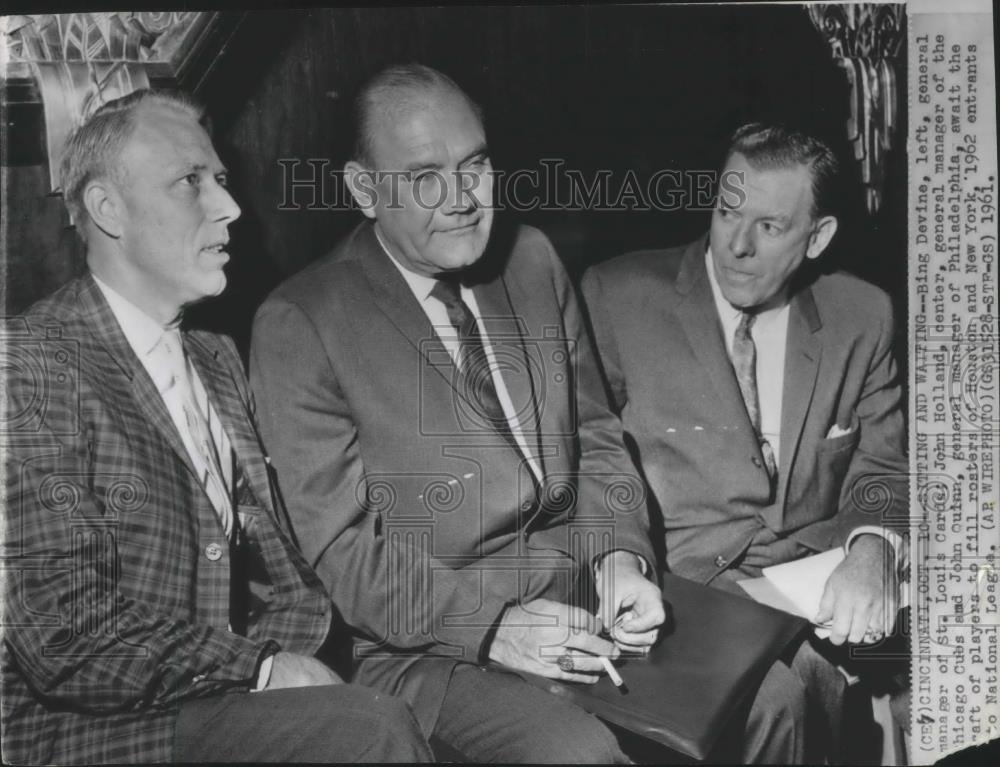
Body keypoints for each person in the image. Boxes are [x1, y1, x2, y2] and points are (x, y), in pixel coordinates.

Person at [1, 89, 432, 765]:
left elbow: (277, 566)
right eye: (189, 183)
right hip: (78, 728)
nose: (229, 208)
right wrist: (260, 668)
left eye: (221, 181)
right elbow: (62, 631)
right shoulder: (27, 363)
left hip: (209, 690)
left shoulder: (215, 355)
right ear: (106, 209)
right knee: (368, 729)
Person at [249, 64, 664, 763]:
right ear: (364, 190)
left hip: (582, 591)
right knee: (580, 756)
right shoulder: (301, 321)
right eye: (423, 177)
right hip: (433, 647)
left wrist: (622, 556)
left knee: (777, 692)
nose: (463, 199)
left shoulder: (529, 257)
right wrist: (495, 623)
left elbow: (593, 432)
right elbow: (345, 553)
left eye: (475, 166)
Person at [581, 123, 908, 762]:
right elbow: (593, 457)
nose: (735, 245)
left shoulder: (862, 314)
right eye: (728, 211)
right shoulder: (617, 297)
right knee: (788, 695)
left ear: (818, 238)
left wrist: (870, 548)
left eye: (770, 227)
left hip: (815, 579)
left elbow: (882, 459)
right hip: (688, 592)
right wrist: (621, 559)